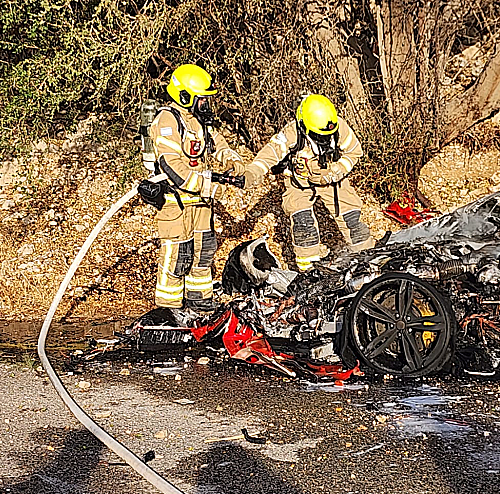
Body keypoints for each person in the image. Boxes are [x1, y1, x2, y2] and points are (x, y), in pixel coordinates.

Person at [142, 64, 244, 312]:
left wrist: (233, 160)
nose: (206, 105)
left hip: (200, 205)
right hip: (176, 203)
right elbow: (173, 166)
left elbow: (216, 143)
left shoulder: (198, 122)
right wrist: (209, 187)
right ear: (185, 96)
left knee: (204, 251)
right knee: (179, 257)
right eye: (202, 100)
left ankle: (200, 303)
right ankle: (170, 309)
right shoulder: (167, 120)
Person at [244, 94, 374, 271]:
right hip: (300, 182)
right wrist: (253, 172)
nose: (324, 139)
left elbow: (354, 152)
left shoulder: (338, 126)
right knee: (302, 222)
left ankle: (369, 259)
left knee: (352, 219)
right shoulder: (292, 132)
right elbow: (270, 153)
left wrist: (337, 171)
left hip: (332, 179)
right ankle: (309, 270)